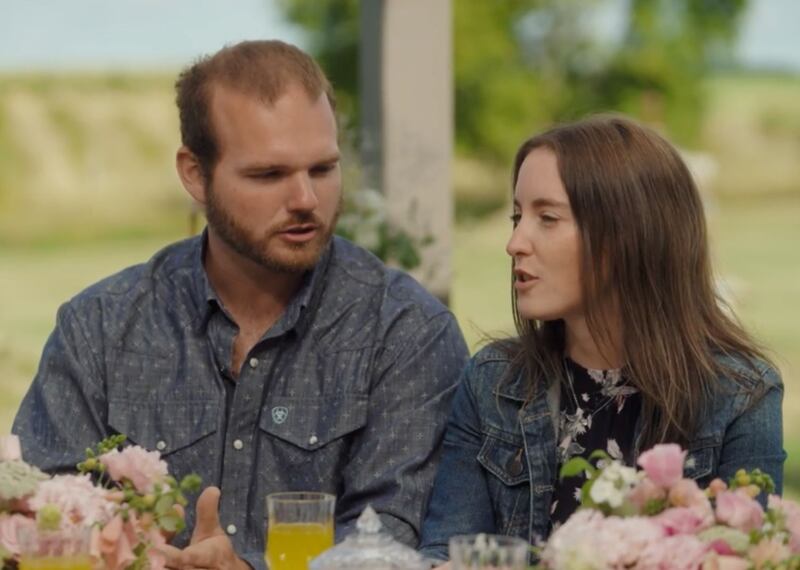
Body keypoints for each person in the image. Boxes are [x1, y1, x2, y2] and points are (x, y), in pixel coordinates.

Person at [12, 40, 469, 570]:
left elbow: (391, 538)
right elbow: (36, 515)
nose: (305, 199)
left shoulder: (407, 330)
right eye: (268, 175)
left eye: (323, 169)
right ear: (194, 174)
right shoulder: (100, 328)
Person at [418, 115, 785, 562]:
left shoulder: (740, 395)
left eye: (547, 218)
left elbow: (750, 558)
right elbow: (445, 551)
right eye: (517, 217)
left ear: (629, 236)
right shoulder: (492, 382)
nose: (514, 242)